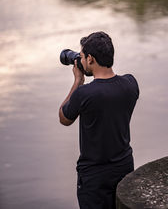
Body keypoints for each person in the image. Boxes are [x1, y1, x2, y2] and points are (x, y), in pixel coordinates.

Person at [59, 31, 139, 209]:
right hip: (124, 167)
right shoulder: (131, 84)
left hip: (94, 176)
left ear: (90, 59)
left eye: (81, 57)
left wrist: (78, 80)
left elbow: (64, 117)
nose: (80, 61)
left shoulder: (84, 94)